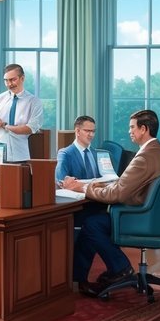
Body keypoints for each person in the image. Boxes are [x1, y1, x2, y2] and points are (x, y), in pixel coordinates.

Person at [60, 109, 160, 296]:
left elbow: (117, 194)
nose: (129, 131)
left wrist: (83, 188)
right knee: (94, 220)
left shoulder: (144, 158)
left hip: (139, 219)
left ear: (143, 129)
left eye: (132, 127)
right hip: (156, 219)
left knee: (91, 224)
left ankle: (120, 268)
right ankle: (90, 277)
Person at [54, 115, 123, 291]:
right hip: (79, 206)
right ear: (77, 131)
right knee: (92, 227)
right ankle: (87, 278)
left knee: (102, 225)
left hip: (98, 203)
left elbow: (110, 179)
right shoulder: (66, 153)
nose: (91, 135)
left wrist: (88, 183)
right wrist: (92, 183)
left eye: (93, 131)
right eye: (87, 131)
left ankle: (115, 271)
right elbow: (62, 181)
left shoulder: (99, 154)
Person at [0, 64, 44, 162]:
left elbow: (31, 128)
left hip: (21, 157)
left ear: (22, 78)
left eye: (13, 79)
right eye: (6, 80)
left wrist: (6, 126)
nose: (9, 84)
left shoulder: (34, 102)